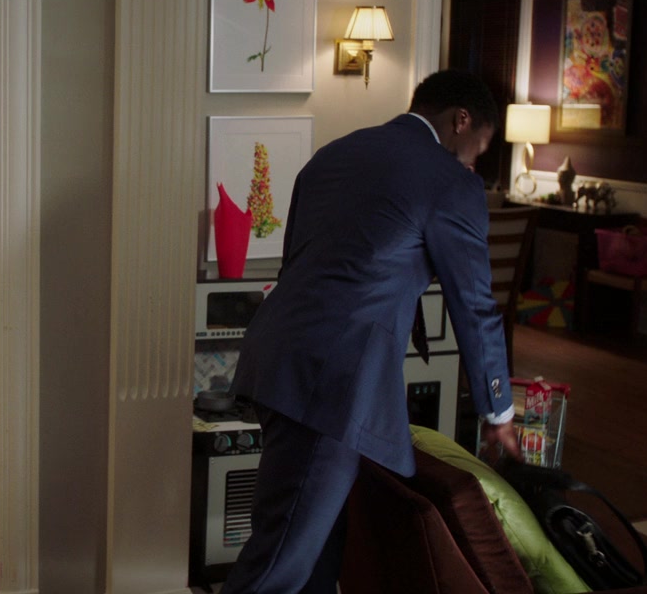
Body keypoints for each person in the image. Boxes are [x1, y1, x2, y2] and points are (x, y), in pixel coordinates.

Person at [223, 70, 523, 594]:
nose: (474, 162)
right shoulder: (449, 182)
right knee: (277, 567)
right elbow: (475, 305)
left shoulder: (334, 154)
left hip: (277, 360)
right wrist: (498, 412)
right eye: (479, 148)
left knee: (318, 555)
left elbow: (302, 263)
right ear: (462, 120)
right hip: (331, 385)